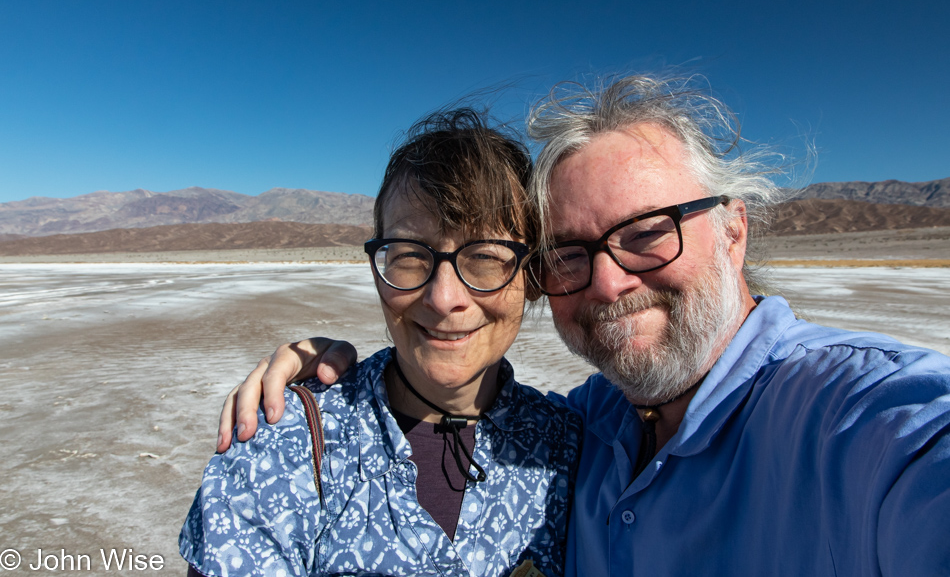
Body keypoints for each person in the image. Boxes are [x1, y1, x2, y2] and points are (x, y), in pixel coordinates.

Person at [219, 75, 950, 576]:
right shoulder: (580, 432)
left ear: (733, 233)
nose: (607, 281)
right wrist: (328, 367)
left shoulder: (860, 424)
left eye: (648, 231)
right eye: (571, 252)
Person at [180, 108, 581, 576]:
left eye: (486, 257)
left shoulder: (573, 446)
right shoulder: (284, 443)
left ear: (533, 275)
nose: (443, 298)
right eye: (410, 256)